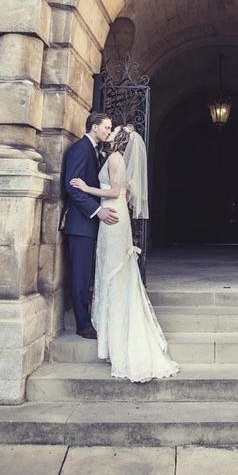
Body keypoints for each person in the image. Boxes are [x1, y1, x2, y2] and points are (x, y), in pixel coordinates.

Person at [70, 124, 179, 382]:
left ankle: (115, 333)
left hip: (112, 218)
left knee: (113, 271)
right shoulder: (114, 159)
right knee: (111, 270)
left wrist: (86, 189)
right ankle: (109, 330)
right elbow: (127, 192)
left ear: (118, 139)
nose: (109, 131)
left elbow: (117, 192)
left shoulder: (116, 158)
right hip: (113, 216)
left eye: (113, 129)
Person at [61, 112, 119, 340]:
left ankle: (89, 318)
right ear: (94, 127)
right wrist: (98, 211)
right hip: (80, 224)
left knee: (86, 274)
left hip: (89, 224)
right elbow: (72, 187)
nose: (108, 130)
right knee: (80, 276)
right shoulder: (80, 149)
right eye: (106, 127)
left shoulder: (94, 150)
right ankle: (83, 324)